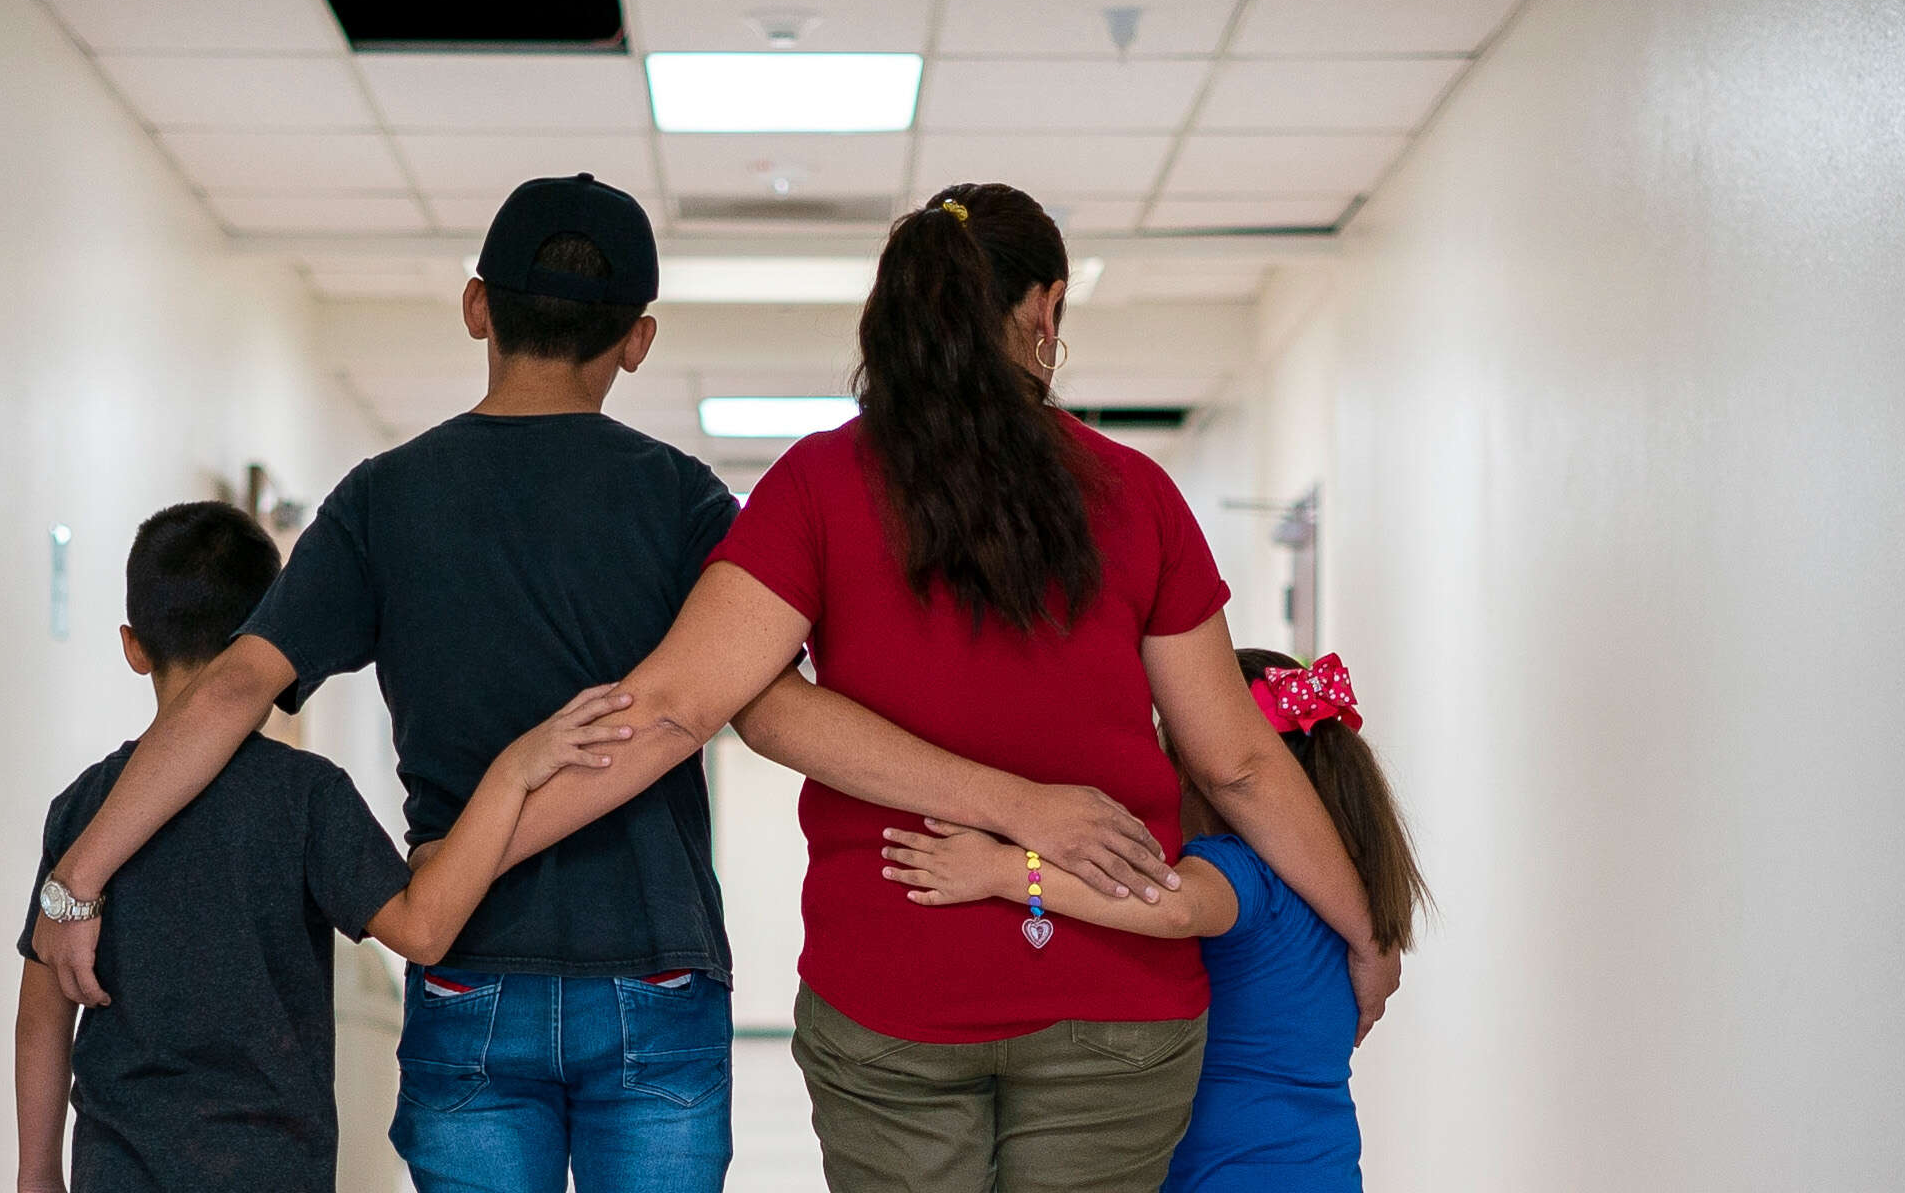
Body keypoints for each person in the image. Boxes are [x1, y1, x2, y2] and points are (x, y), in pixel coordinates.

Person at [24, 176, 1176, 1193]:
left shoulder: (382, 500)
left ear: (479, 308)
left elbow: (227, 695)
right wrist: (1010, 793)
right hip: (656, 963)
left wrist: (76, 881)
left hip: (469, 959)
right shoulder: (683, 503)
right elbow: (763, 707)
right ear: (638, 339)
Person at [470, 184, 1402, 1193]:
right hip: (1115, 1004)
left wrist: (459, 869)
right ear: (1044, 313)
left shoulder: (818, 487)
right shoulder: (1137, 495)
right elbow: (1241, 763)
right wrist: (1367, 935)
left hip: (891, 995)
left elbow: (678, 707)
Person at [12, 501, 642, 1193]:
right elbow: (422, 930)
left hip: (116, 1165)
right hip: (271, 1165)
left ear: (134, 646)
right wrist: (512, 773)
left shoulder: (83, 808)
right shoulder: (304, 795)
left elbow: (43, 1021)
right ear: (268, 641)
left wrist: (37, 1172)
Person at [875, 649, 1430, 1193]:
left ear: (1200, 770)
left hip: (1226, 1172)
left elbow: (1174, 905)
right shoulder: (1349, 892)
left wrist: (1004, 870)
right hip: (1324, 1166)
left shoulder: (1241, 869)